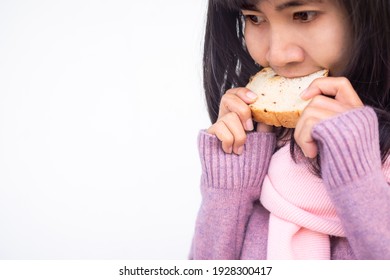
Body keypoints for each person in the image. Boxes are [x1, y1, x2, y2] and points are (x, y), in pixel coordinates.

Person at [189, 0, 390, 260]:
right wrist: (229, 186)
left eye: (303, 15)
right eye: (254, 19)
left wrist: (357, 171)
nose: (277, 55)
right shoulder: (261, 145)